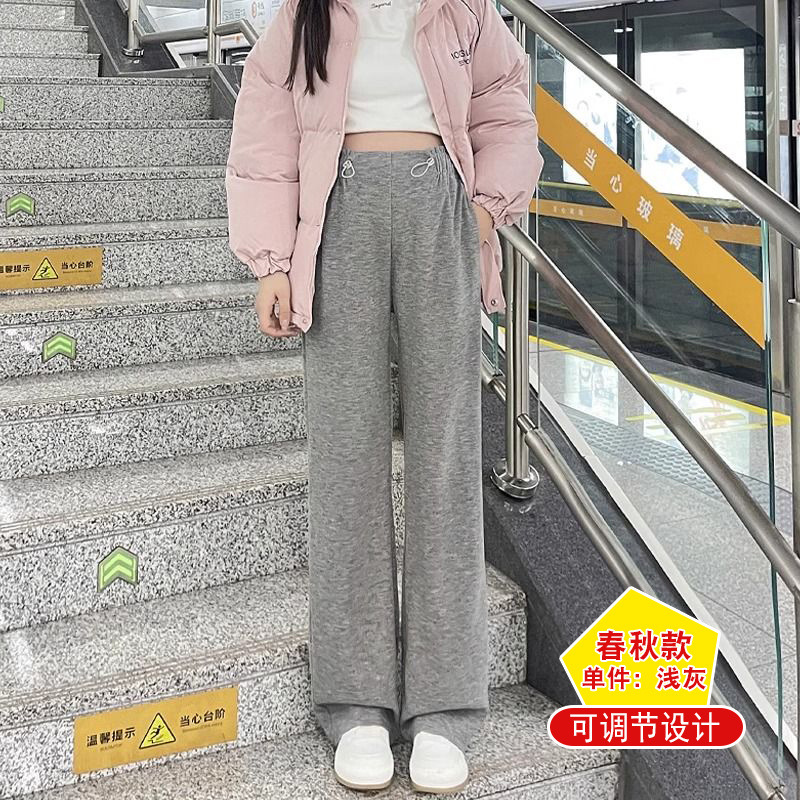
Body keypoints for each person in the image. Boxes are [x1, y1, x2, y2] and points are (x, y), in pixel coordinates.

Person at [225, 0, 544, 791]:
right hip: (336, 217)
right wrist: (271, 261)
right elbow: (264, 135)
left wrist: (484, 210)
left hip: (443, 212)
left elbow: (506, 107)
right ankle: (355, 703)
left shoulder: (465, 9)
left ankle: (445, 708)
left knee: (446, 460)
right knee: (346, 459)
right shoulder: (304, 14)